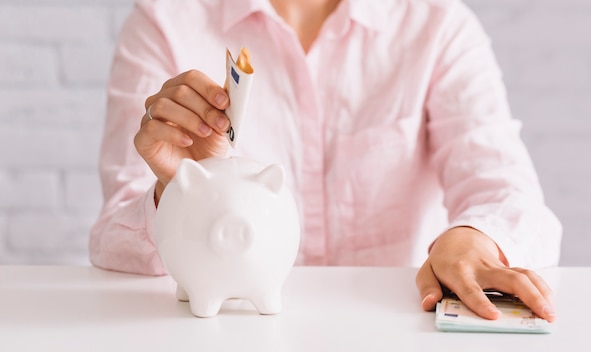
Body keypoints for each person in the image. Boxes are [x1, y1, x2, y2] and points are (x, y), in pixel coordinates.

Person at [90, 0, 562, 322]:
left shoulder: (435, 23)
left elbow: (508, 193)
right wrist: (177, 192)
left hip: (398, 327)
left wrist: (470, 239)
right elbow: (114, 239)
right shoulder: (166, 21)